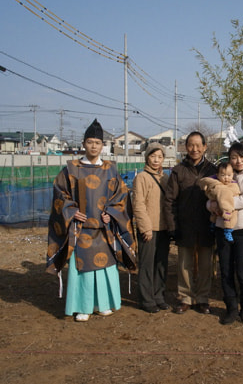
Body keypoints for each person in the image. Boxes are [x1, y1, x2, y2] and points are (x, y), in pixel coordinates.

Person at [46, 119, 136, 322]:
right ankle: (83, 307)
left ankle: (103, 304)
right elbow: (60, 193)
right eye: (90, 142)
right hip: (80, 229)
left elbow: (122, 196)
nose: (93, 146)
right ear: (83, 144)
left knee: (105, 267)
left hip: (105, 229)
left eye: (97, 142)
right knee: (83, 268)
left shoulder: (110, 169)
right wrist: (71, 210)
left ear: (102, 145)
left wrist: (111, 213)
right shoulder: (71, 169)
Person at [209, 143, 243, 324]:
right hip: (222, 228)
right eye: (234, 157)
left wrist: (222, 204)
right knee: (226, 271)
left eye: (241, 156)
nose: (238, 161)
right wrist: (211, 206)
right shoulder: (223, 174)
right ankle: (231, 308)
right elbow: (209, 196)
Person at [165, 132, 217, 315]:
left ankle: (202, 298)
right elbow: (170, 200)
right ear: (186, 147)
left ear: (204, 147)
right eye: (190, 145)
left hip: (207, 224)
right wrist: (173, 226)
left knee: (205, 264)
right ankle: (185, 297)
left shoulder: (212, 170)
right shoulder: (178, 170)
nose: (194, 149)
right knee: (184, 264)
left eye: (198, 145)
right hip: (184, 224)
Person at [132, 143, 170, 313]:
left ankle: (159, 296)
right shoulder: (141, 177)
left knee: (161, 264)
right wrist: (145, 228)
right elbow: (138, 204)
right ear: (147, 157)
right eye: (153, 156)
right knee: (147, 265)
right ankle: (146, 300)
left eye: (160, 157)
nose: (156, 160)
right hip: (148, 229)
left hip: (164, 228)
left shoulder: (165, 178)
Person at [198, 162, 240, 243]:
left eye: (229, 175)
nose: (226, 178)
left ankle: (226, 228)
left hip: (227, 208)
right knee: (224, 196)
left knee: (233, 214)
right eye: (223, 175)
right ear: (217, 175)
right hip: (224, 210)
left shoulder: (233, 184)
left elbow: (237, 193)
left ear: (233, 174)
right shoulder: (217, 184)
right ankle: (224, 226)